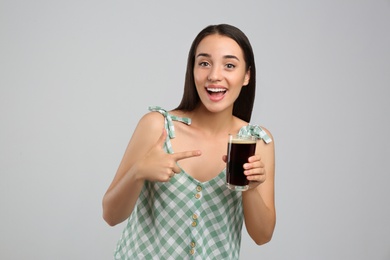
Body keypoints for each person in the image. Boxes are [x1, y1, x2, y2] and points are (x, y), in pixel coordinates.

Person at [102, 24, 276, 259]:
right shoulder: (157, 126)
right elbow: (111, 215)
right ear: (192, 69)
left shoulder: (256, 142)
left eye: (229, 65)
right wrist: (138, 171)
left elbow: (262, 236)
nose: (214, 75)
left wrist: (251, 189)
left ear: (246, 76)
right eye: (204, 63)